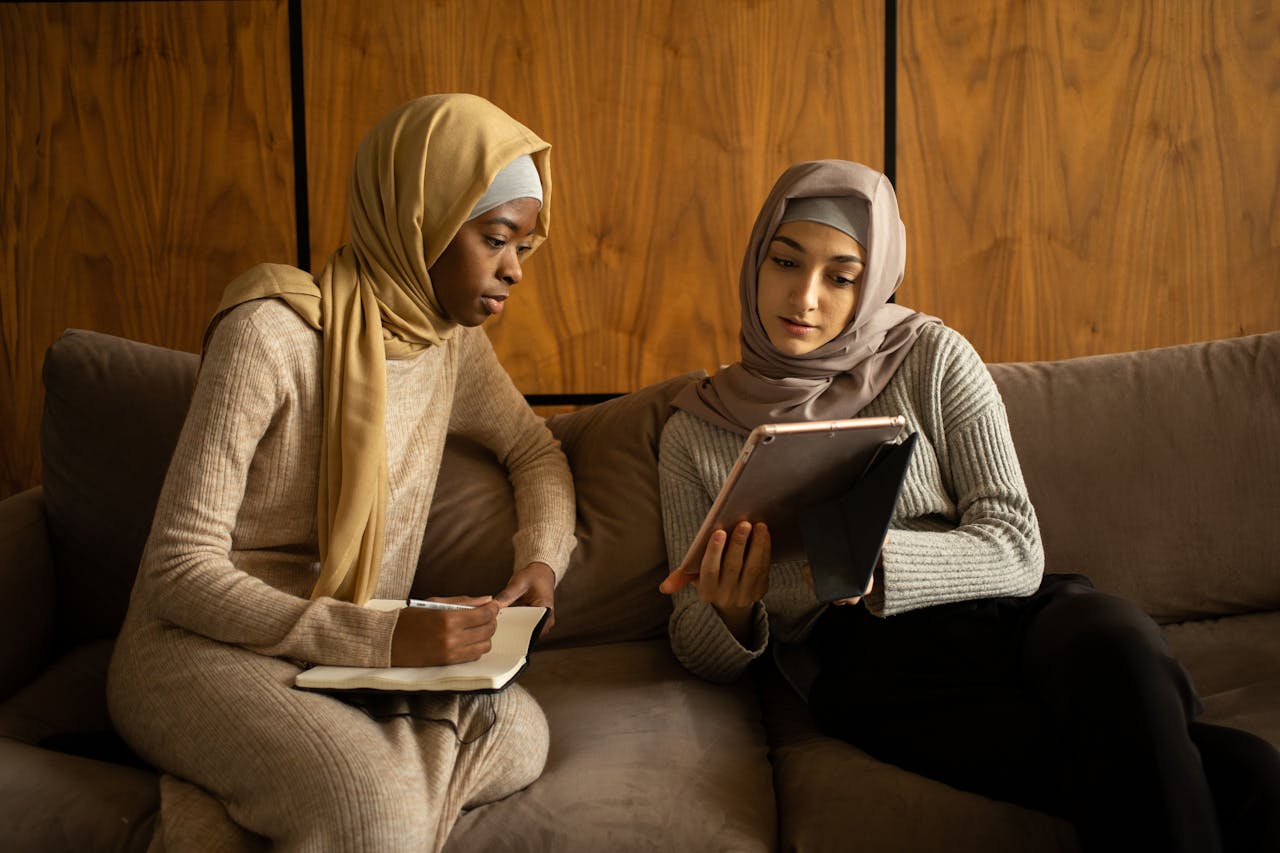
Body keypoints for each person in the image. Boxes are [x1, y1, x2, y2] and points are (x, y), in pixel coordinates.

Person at [658, 159, 1280, 852]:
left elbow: (1016, 543)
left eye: (841, 276)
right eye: (785, 261)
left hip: (1019, 614)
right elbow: (696, 643)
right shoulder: (696, 430)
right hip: (878, 673)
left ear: (876, 281)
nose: (805, 296)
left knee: (1114, 639)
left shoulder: (934, 356)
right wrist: (734, 611)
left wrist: (874, 555)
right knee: (1248, 775)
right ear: (756, 261)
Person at [107, 94, 577, 852]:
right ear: (420, 217)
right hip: (198, 648)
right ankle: (354, 801)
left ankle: (271, 787)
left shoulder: (448, 347)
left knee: (520, 731)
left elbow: (535, 450)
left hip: (345, 654)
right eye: (496, 239)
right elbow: (176, 571)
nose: (515, 270)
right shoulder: (271, 333)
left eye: (524, 246)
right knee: (372, 810)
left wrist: (542, 559)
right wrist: (380, 636)